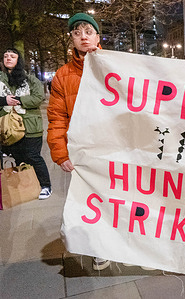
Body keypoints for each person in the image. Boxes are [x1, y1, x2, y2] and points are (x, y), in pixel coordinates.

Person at [46, 12, 111, 271]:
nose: (83, 37)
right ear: (71, 39)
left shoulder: (116, 65)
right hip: (83, 150)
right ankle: (99, 248)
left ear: (97, 35)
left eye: (88, 31)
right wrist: (60, 153)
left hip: (115, 147)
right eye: (77, 33)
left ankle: (133, 245)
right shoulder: (63, 75)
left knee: (122, 197)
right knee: (91, 200)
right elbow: (57, 117)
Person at [0, 48, 52, 199]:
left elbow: (38, 97)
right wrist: (5, 100)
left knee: (33, 156)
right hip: (8, 127)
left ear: (19, 60)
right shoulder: (1, 79)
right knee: (18, 157)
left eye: (12, 56)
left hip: (30, 126)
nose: (8, 58)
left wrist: (19, 100)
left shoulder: (30, 79)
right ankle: (25, 186)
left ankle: (45, 185)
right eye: (5, 56)